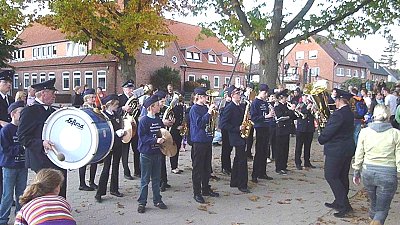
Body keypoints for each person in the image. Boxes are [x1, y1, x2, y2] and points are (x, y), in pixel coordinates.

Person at [18, 78, 68, 198]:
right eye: (52, 93)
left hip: (55, 157)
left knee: (60, 188)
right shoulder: (29, 111)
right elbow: (22, 137)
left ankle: (59, 211)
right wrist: (41, 143)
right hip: (40, 159)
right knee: (47, 191)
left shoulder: (52, 111)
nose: (54, 96)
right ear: (43, 93)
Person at [352, 105, 400, 225]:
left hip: (368, 172)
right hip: (388, 174)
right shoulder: (396, 134)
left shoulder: (364, 132)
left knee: (373, 204)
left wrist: (356, 171)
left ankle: (372, 220)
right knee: (382, 209)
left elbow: (359, 153)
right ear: (388, 116)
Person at [318, 89, 355, 218]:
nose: (335, 102)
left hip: (336, 150)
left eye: (336, 100)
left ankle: (344, 204)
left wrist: (321, 137)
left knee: (331, 176)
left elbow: (329, 131)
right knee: (342, 176)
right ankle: (340, 201)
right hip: (347, 148)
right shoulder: (349, 113)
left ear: (339, 100)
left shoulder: (338, 114)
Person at [137, 95, 168, 213]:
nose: (159, 106)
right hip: (146, 154)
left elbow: (161, 132)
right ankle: (142, 202)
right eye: (157, 105)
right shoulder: (144, 120)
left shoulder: (158, 119)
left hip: (157, 153)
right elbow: (143, 137)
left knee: (156, 179)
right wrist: (155, 140)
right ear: (151, 107)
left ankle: (157, 200)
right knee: (145, 179)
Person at [190, 87, 219, 203]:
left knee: (207, 167)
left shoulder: (204, 107)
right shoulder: (194, 109)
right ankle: (197, 192)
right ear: (200, 97)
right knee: (198, 167)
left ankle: (206, 188)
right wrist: (208, 112)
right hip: (199, 140)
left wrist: (213, 113)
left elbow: (211, 121)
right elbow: (200, 124)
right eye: (206, 97)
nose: (207, 99)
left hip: (207, 139)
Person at [0, 101, 27, 225]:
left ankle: (19, 218)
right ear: (13, 114)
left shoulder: (24, 129)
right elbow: (6, 150)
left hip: (22, 166)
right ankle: (3, 219)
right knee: (7, 195)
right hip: (9, 167)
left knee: (21, 194)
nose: (23, 115)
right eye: (21, 112)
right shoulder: (6, 130)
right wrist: (21, 148)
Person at [95, 94, 125, 203]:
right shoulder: (103, 116)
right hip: (109, 145)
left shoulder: (117, 114)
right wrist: (114, 134)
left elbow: (120, 124)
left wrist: (122, 132)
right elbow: (102, 132)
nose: (117, 106)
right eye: (115, 104)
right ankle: (99, 193)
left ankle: (114, 189)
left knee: (116, 167)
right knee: (106, 169)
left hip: (118, 144)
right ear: (109, 105)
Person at [220, 86, 250, 193]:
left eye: (240, 94)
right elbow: (223, 124)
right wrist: (237, 128)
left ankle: (234, 181)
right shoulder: (229, 107)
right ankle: (242, 185)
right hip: (235, 136)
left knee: (238, 158)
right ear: (232, 95)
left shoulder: (240, 106)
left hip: (240, 135)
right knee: (242, 160)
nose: (240, 96)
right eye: (237, 94)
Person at [249, 84, 274, 183]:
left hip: (267, 127)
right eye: (265, 93)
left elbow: (268, 115)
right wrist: (266, 116)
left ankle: (262, 172)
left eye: (267, 93)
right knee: (259, 152)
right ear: (260, 92)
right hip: (260, 128)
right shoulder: (255, 103)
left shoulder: (265, 102)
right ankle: (254, 174)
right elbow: (254, 117)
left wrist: (271, 114)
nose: (266, 95)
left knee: (265, 151)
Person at [118, 80, 139, 180]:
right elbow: (114, 110)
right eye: (128, 88)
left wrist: (137, 109)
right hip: (125, 127)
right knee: (125, 151)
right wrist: (123, 108)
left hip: (134, 126)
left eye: (131, 88)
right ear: (123, 89)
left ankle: (137, 170)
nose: (130, 90)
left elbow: (137, 114)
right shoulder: (119, 98)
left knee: (137, 150)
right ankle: (126, 172)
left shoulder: (135, 99)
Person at [78, 88, 98, 191]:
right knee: (84, 162)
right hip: (85, 138)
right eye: (92, 97)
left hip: (94, 137)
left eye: (94, 97)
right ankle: (82, 183)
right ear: (86, 98)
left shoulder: (95, 108)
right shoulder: (83, 109)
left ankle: (92, 181)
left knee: (94, 160)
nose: (94, 99)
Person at [0, 70, 15, 202]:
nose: (8, 85)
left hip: (10, 136)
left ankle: (7, 197)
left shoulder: (10, 99)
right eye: (5, 82)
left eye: (9, 82)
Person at [274, 90, 296, 175]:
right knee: (280, 149)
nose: (286, 99)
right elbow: (281, 116)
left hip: (286, 130)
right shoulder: (278, 107)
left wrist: (293, 111)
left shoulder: (286, 106)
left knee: (285, 149)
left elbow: (292, 116)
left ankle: (284, 166)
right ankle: (278, 167)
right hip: (280, 130)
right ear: (280, 98)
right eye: (285, 98)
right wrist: (291, 111)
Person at [294, 95, 316, 170]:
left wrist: (314, 111)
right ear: (302, 97)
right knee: (299, 146)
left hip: (309, 128)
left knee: (308, 146)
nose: (307, 98)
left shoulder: (312, 104)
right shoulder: (300, 104)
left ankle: (307, 161)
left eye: (308, 96)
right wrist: (307, 108)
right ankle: (298, 162)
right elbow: (298, 113)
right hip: (301, 128)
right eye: (306, 96)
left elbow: (314, 115)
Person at [218, 89, 233, 175]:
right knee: (226, 148)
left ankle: (228, 166)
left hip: (231, 128)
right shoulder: (224, 103)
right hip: (225, 128)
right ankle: (225, 167)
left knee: (229, 148)